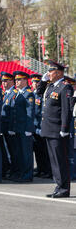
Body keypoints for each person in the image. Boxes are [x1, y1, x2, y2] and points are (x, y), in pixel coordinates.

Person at [36, 60, 73, 198]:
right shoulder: (50, 87)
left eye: (50, 71)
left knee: (60, 160)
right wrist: (43, 81)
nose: (48, 74)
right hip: (48, 129)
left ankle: (64, 188)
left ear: (58, 73)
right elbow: (39, 93)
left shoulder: (65, 87)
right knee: (53, 160)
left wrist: (64, 128)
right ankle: (58, 186)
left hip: (58, 130)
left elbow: (66, 110)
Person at [13, 71, 35, 182]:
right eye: (16, 80)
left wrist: (28, 129)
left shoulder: (28, 93)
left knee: (26, 153)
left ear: (26, 80)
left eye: (19, 80)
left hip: (25, 128)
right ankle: (22, 173)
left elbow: (29, 112)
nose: (16, 82)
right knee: (20, 152)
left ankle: (28, 175)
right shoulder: (18, 93)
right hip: (18, 127)